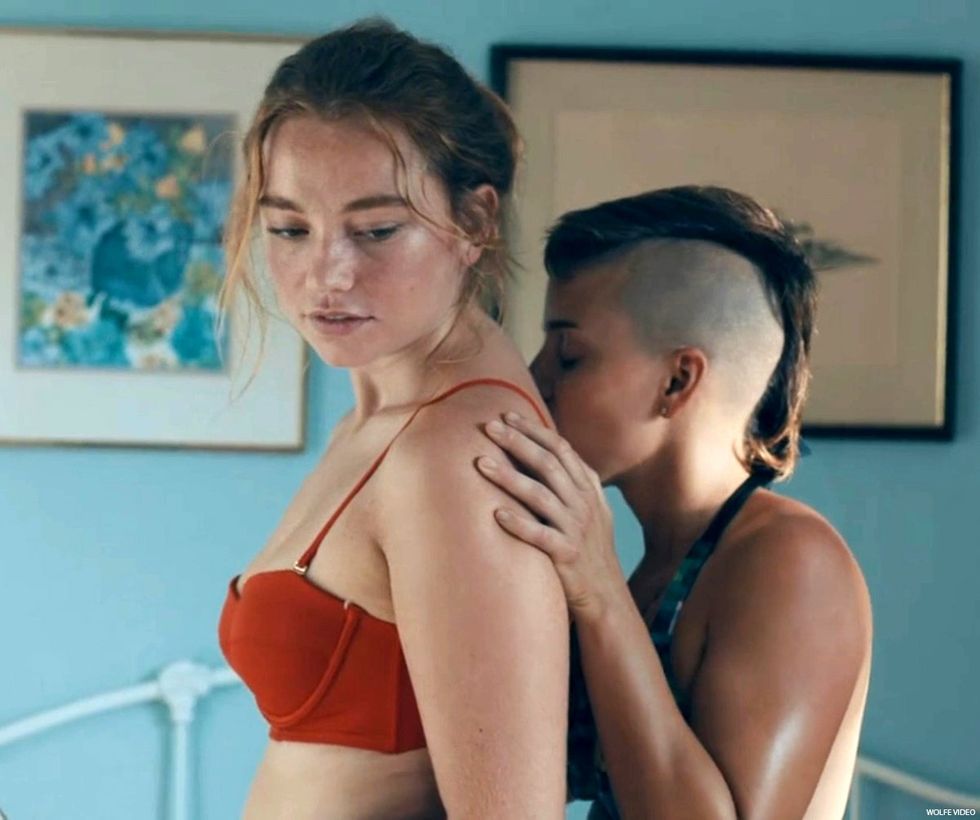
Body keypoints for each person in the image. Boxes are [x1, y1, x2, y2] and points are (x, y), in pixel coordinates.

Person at [216, 20, 568, 819]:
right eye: (289, 229)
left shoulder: (458, 453)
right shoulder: (383, 423)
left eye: (376, 230)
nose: (327, 275)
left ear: (475, 223)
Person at [475, 186, 872, 819]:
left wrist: (599, 591)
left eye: (568, 356)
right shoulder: (650, 567)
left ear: (677, 380)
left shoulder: (792, 561)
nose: (534, 378)